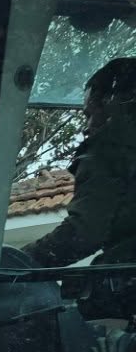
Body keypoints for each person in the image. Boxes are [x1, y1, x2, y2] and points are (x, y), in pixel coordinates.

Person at [26, 56, 136, 269]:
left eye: (90, 114)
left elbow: (84, 233)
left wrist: (16, 263)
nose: (86, 127)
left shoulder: (112, 149)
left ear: (115, 103)